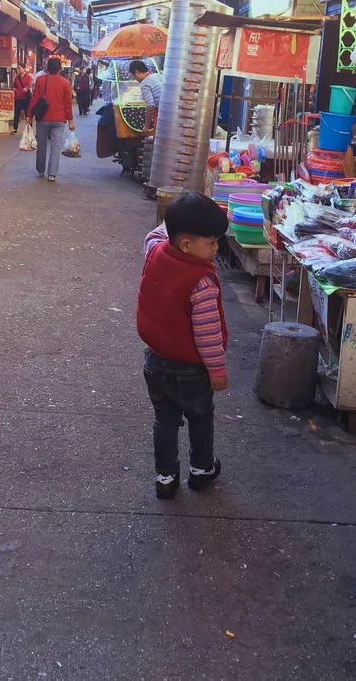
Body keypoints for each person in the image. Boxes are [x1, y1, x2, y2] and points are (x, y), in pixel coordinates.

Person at [136, 192, 228, 500]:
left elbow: (155, 233)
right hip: (190, 370)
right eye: (212, 243)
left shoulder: (155, 251)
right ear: (186, 245)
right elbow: (208, 334)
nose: (216, 250)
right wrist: (216, 371)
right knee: (200, 417)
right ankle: (201, 470)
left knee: (165, 420)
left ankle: (165, 478)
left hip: (155, 360)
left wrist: (174, 220)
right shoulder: (200, 281)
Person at [28, 56, 75, 182]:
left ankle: (40, 169)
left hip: (42, 118)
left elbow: (35, 99)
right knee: (56, 147)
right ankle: (52, 174)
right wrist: (70, 120)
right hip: (59, 120)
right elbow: (68, 104)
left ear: (47, 68)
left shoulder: (40, 80)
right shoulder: (66, 83)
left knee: (42, 144)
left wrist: (29, 116)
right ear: (60, 69)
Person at [129, 59, 163, 134]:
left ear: (136, 72)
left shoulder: (144, 83)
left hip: (161, 113)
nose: (135, 79)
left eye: (133, 76)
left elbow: (150, 105)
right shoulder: (157, 75)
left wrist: (147, 126)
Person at [11, 64, 33, 134]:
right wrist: (14, 89)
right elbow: (13, 86)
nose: (18, 70)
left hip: (26, 99)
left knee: (28, 114)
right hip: (18, 98)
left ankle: (29, 129)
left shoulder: (29, 77)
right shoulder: (17, 78)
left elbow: (29, 85)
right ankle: (15, 129)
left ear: (24, 69)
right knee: (16, 114)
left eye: (20, 68)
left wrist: (26, 88)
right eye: (18, 68)